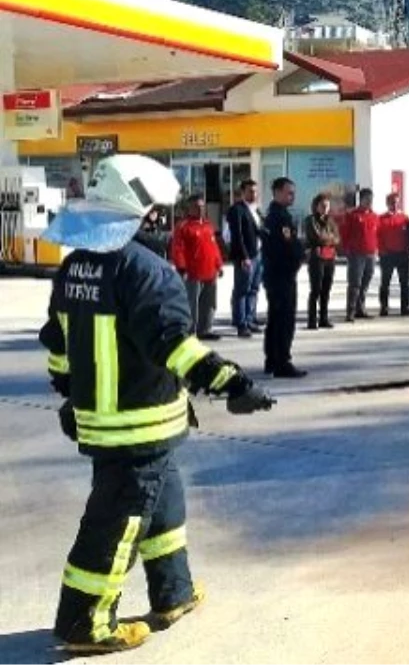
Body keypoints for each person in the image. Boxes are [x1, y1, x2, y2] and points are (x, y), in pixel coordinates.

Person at [38, 154, 274, 655]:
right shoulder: (148, 271)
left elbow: (57, 340)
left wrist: (68, 395)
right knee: (116, 522)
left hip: (110, 422)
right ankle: (84, 622)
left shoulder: (75, 265)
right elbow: (175, 346)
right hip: (137, 428)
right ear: (143, 209)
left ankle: (174, 593)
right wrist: (233, 385)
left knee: (164, 506)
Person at [261, 177, 307, 378]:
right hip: (281, 275)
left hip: (276, 275)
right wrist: (300, 254)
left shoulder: (275, 215)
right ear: (277, 192)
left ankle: (272, 359)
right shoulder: (279, 218)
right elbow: (286, 246)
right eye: (289, 192)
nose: (292, 196)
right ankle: (282, 362)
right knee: (284, 320)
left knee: (275, 319)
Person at [169, 194, 224, 340]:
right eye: (196, 207)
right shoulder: (183, 226)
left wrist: (219, 265)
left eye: (202, 206)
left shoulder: (207, 225)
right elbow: (177, 248)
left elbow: (214, 247)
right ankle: (190, 330)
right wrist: (181, 267)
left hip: (210, 271)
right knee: (192, 302)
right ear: (189, 208)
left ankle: (205, 329)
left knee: (209, 302)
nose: (200, 209)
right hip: (193, 272)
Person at [225, 180, 264, 339]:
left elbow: (260, 230)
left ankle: (250, 319)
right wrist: (244, 256)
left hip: (258, 254)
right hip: (246, 256)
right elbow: (237, 236)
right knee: (242, 289)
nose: (253, 194)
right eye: (250, 191)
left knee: (253, 288)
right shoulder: (237, 210)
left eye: (255, 191)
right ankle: (241, 323)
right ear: (242, 192)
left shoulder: (256, 210)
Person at [341, 187, 379, 322]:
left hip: (370, 254)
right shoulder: (353, 215)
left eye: (371, 200)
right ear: (361, 200)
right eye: (367, 199)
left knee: (365, 283)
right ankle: (350, 312)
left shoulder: (374, 216)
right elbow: (344, 233)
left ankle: (360, 309)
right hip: (356, 254)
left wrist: (376, 249)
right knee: (354, 283)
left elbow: (376, 234)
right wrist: (346, 249)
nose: (369, 202)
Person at [304, 193, 339, 330]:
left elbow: (337, 238)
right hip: (316, 258)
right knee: (316, 289)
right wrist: (328, 238)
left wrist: (328, 239)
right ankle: (312, 320)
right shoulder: (310, 220)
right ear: (316, 206)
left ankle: (323, 318)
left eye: (327, 205)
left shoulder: (330, 221)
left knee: (326, 289)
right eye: (322, 205)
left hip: (329, 257)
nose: (325, 208)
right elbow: (316, 237)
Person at [377, 192, 409, 316]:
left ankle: (405, 307)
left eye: (397, 202)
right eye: (392, 202)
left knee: (405, 283)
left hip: (402, 255)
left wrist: (408, 249)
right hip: (387, 255)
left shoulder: (405, 218)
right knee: (385, 283)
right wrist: (382, 250)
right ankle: (384, 307)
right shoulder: (381, 219)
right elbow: (378, 236)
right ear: (387, 203)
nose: (395, 204)